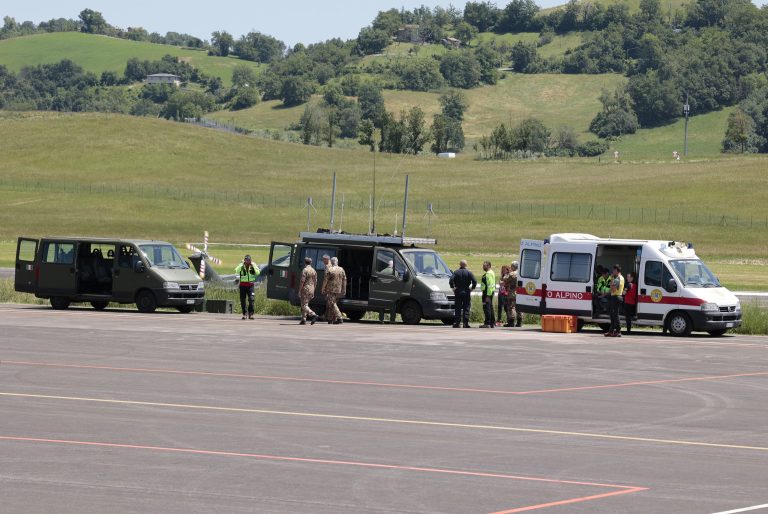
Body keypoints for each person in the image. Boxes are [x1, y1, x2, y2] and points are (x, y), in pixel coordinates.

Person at [449, 260, 477, 328]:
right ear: (466, 265)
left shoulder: (456, 272)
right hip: (466, 291)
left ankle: (457, 323)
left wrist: (453, 288)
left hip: (458, 290)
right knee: (466, 307)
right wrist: (472, 288)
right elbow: (475, 281)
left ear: (459, 264)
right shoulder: (469, 272)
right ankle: (465, 323)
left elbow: (451, 280)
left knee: (458, 307)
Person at [321, 256, 347, 324]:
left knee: (332, 303)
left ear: (331, 262)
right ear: (337, 262)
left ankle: (339, 317)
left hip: (330, 289)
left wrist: (323, 288)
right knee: (332, 303)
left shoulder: (329, 269)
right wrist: (344, 289)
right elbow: (344, 280)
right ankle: (331, 319)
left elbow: (325, 280)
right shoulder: (341, 269)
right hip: (338, 289)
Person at [235, 255, 260, 320]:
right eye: (246, 260)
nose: (247, 261)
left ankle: (251, 314)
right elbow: (237, 271)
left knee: (251, 299)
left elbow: (258, 272)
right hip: (243, 285)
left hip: (250, 285)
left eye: (248, 260)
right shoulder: (241, 265)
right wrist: (241, 264)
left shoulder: (253, 265)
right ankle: (244, 314)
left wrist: (253, 265)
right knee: (243, 300)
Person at [606, 264, 625, 337]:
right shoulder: (622, 278)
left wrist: (611, 279)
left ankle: (618, 331)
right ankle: (611, 331)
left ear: (616, 270)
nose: (612, 271)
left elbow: (613, 289)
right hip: (618, 296)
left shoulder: (617, 279)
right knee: (613, 315)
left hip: (615, 297)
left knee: (615, 315)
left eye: (613, 270)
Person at [298, 256, 319, 325]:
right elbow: (315, 281)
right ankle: (303, 319)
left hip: (305, 288)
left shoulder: (305, 270)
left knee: (304, 305)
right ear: (311, 262)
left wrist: (299, 290)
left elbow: (302, 281)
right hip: (311, 288)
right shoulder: (313, 270)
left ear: (305, 262)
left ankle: (313, 314)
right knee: (305, 303)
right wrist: (314, 289)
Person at [504, 261, 523, 327]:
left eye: (511, 266)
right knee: (519, 307)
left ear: (514, 266)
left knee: (512, 307)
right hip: (520, 292)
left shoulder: (512, 274)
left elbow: (505, 279)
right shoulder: (521, 273)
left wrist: (507, 273)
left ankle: (511, 322)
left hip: (512, 292)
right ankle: (519, 322)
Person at [479, 261, 496, 328]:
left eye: (484, 266)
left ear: (488, 266)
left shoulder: (488, 274)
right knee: (490, 307)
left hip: (487, 293)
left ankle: (487, 323)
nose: (483, 267)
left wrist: (488, 295)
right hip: (489, 292)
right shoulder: (491, 273)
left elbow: (489, 285)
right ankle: (492, 322)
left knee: (486, 308)